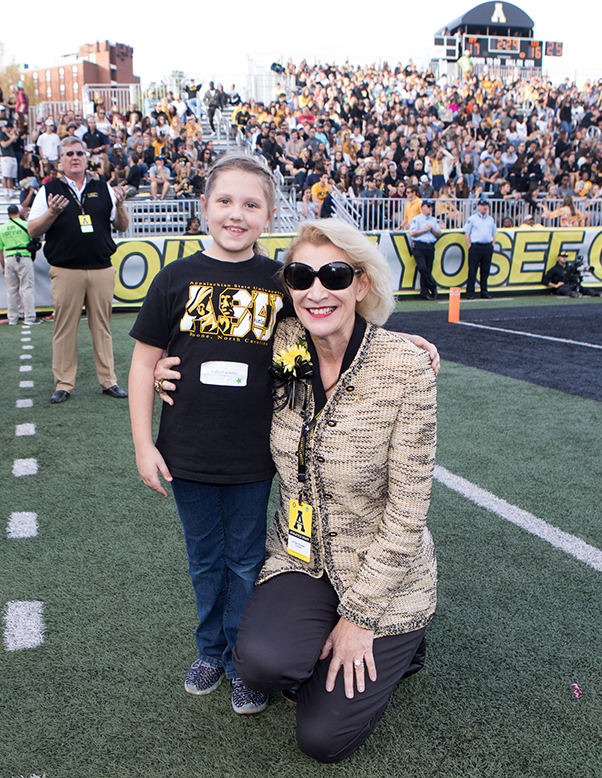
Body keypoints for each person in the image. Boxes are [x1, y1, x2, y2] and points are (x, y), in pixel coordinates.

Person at [233, 218, 437, 763]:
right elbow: (197, 339)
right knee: (260, 664)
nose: (317, 290)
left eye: (335, 275)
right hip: (301, 559)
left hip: (382, 573)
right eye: (301, 276)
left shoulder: (404, 367)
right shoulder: (281, 346)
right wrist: (160, 368)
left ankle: (407, 644)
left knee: (321, 740)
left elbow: (409, 508)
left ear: (362, 284)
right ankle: (318, 640)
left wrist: (359, 619)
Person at [129, 153, 288, 716]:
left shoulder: (281, 281)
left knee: (245, 560)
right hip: (187, 453)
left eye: (251, 203)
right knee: (204, 558)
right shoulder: (174, 278)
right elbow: (144, 364)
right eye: (225, 200)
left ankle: (244, 661)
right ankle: (210, 651)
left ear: (268, 215)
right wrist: (144, 445)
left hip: (252, 454)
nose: (236, 213)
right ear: (203, 208)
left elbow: (331, 332)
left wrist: (404, 344)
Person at [27, 135, 130, 404]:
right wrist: (51, 213)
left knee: (103, 328)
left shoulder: (103, 188)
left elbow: (122, 226)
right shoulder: (48, 191)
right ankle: (63, 384)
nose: (75, 158)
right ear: (60, 161)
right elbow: (33, 229)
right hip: (66, 269)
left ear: (87, 159)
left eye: (79, 153)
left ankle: (109, 381)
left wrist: (119, 204)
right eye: (69, 154)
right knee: (64, 328)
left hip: (101, 268)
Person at [0, 204, 39, 326]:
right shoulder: (26, 225)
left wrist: (3, 267)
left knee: (11, 290)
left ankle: (13, 318)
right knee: (27, 288)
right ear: (18, 212)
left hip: (9, 258)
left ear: (8, 214)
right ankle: (29, 317)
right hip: (24, 257)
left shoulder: (2, 228)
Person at [407, 200, 441, 300]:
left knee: (427, 270)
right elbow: (412, 233)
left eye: (431, 206)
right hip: (419, 246)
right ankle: (433, 288)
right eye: (428, 206)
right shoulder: (416, 219)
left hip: (430, 246)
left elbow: (438, 234)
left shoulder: (433, 220)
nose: (430, 208)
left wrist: (432, 229)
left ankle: (425, 292)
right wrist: (425, 229)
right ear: (423, 207)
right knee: (423, 268)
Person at [463, 198, 496, 299]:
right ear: (478, 207)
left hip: (487, 247)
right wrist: (470, 246)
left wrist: (492, 245)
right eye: (483, 205)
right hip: (476, 247)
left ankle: (484, 291)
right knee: (472, 271)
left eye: (486, 205)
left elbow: (494, 233)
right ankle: (470, 292)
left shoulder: (490, 219)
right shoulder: (472, 219)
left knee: (485, 271)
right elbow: (466, 233)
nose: (485, 207)